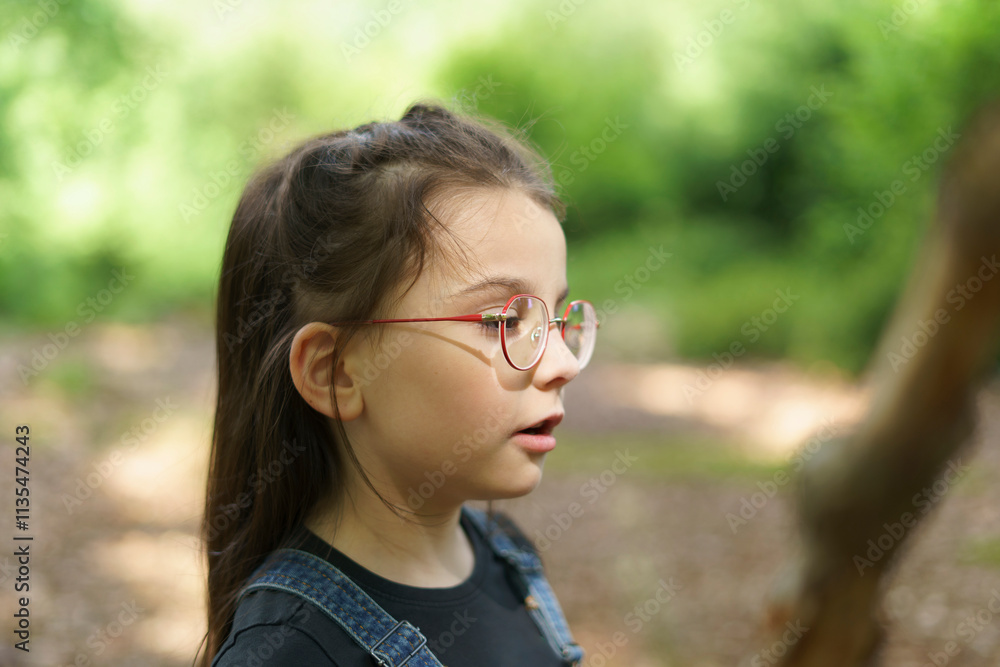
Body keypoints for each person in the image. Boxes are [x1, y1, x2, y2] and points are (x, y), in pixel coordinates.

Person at [195, 100, 600, 667]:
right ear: (334, 370)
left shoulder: (508, 558)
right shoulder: (289, 651)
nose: (562, 362)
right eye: (505, 320)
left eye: (556, 319)